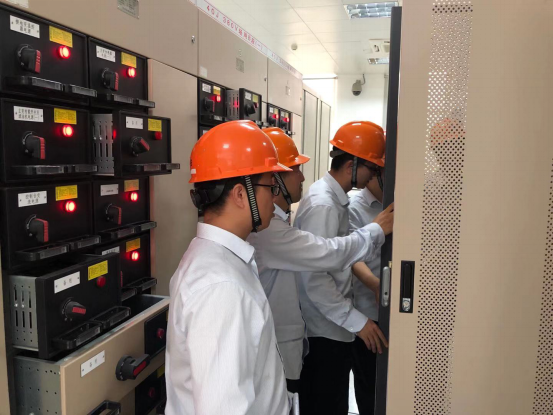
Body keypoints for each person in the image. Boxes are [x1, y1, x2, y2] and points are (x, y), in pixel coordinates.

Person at [247, 127, 394, 394]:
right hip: (321, 330)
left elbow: (329, 256)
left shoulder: (292, 216)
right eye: (295, 169)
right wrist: (375, 230)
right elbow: (322, 264)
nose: (302, 176)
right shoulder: (317, 207)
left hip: (313, 331)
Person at [165, 120, 293, 415]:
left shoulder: (216, 258)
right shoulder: (221, 287)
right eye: (270, 186)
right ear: (239, 194)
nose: (275, 197)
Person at [294, 121, 392, 415]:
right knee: (326, 404)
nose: (374, 175)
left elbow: (342, 256)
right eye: (372, 168)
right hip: (323, 332)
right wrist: (358, 322)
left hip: (332, 328)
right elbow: (314, 279)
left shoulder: (335, 200)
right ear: (352, 165)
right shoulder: (323, 205)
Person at [349, 166, 386, 415]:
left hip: (398, 312)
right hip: (368, 314)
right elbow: (350, 257)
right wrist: (375, 284)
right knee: (369, 389)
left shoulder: (402, 201)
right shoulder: (355, 207)